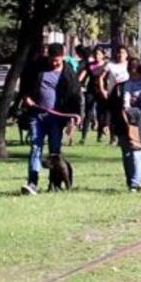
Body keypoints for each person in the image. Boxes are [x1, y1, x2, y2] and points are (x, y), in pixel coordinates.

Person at [19, 43, 82, 195]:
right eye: (52, 60)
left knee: (55, 153)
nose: (54, 63)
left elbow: (75, 95)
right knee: (35, 147)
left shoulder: (68, 73)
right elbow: (25, 85)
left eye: (57, 61)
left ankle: (54, 184)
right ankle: (32, 183)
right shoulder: (37, 67)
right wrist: (26, 97)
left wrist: (75, 115)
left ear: (63, 56)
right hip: (37, 115)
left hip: (56, 118)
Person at [121, 59, 141, 191]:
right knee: (135, 150)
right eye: (130, 70)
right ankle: (135, 182)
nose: (132, 73)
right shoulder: (128, 84)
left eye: (135, 70)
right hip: (134, 114)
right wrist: (127, 106)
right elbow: (126, 97)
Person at [99, 46, 130, 146]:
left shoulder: (129, 65)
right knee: (113, 116)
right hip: (113, 93)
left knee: (124, 115)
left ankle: (126, 136)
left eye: (123, 52)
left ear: (127, 54)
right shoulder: (110, 65)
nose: (120, 55)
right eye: (119, 52)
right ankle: (113, 138)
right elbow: (101, 77)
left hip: (126, 93)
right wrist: (103, 89)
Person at [81, 47, 108, 144]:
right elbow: (82, 77)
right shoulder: (89, 65)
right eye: (96, 54)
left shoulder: (106, 66)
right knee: (88, 113)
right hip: (91, 91)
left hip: (101, 92)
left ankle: (99, 136)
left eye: (99, 54)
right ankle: (83, 136)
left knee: (101, 113)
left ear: (103, 55)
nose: (97, 56)